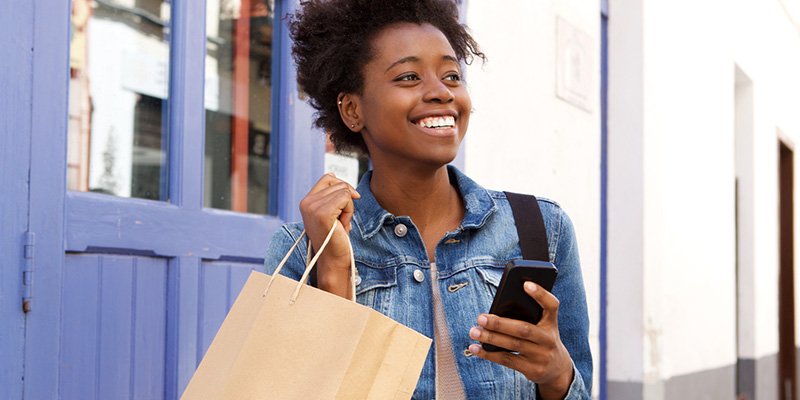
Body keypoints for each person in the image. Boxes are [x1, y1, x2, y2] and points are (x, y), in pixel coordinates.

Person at [264, 0, 592, 398]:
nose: (441, 92)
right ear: (352, 109)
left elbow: (579, 387)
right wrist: (334, 272)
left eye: (452, 75)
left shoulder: (541, 228)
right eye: (408, 77)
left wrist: (558, 376)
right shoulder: (303, 250)